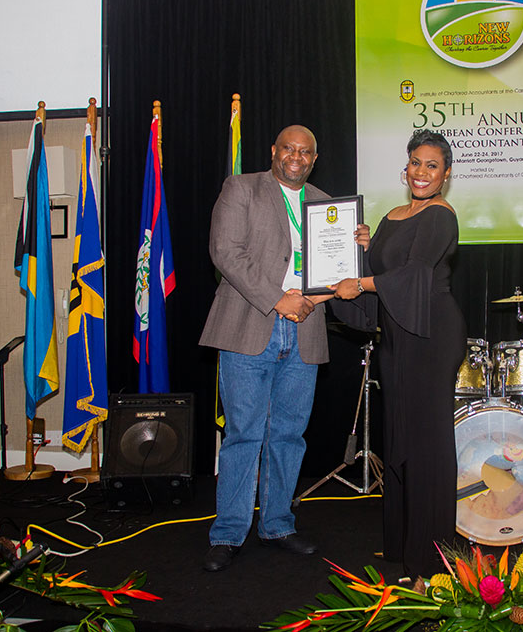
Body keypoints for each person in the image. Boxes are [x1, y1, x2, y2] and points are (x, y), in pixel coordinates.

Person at [198, 125, 367, 572]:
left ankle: (277, 524)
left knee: (290, 435)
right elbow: (225, 251)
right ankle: (228, 533)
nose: (296, 156)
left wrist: (356, 250)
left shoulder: (326, 204)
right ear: (274, 151)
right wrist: (278, 299)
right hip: (250, 324)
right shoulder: (242, 188)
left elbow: (336, 273)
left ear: (315, 158)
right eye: (289, 148)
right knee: (243, 434)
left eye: (305, 151)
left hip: (305, 327)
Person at [330, 129, 466, 579]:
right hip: (396, 336)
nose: (422, 172)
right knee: (400, 439)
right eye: (415, 163)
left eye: (432, 165)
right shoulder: (392, 215)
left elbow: (414, 275)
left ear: (446, 174)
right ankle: (402, 545)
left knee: (427, 445)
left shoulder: (441, 216)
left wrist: (360, 283)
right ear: (405, 167)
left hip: (431, 336)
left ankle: (431, 558)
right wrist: (365, 248)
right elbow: (384, 268)